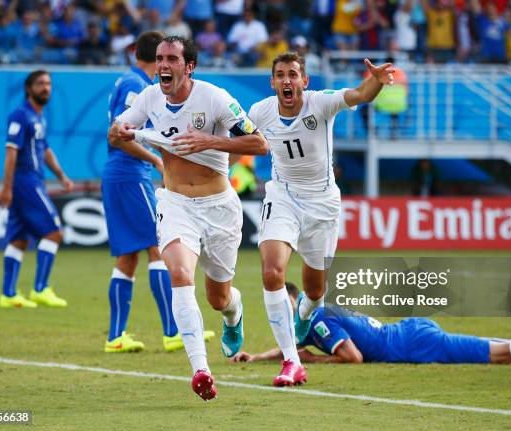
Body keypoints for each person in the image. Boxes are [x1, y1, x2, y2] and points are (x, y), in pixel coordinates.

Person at [108, 36, 268, 400]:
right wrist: (119, 132)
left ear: (189, 66)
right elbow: (116, 134)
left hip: (219, 208)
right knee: (179, 274)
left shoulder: (215, 98)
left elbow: (259, 144)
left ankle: (233, 314)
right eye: (160, 58)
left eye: (172, 59)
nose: (163, 65)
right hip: (175, 203)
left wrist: (209, 141)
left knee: (218, 297)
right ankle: (201, 369)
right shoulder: (150, 96)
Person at [247, 52, 394, 387]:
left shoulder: (321, 103)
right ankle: (291, 361)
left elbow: (359, 94)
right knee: (272, 271)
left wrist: (376, 81)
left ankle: (304, 315)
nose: (287, 81)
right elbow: (241, 137)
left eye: (293, 75)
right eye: (280, 75)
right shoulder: (260, 111)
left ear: (304, 81)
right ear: (273, 83)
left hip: (322, 205)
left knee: (314, 291)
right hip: (282, 197)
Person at [103, 31, 213, 354]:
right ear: (158, 59)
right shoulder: (139, 87)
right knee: (159, 246)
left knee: (127, 257)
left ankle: (115, 336)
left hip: (117, 175)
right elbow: (122, 135)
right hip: (130, 174)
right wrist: (158, 160)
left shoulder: (127, 80)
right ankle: (173, 331)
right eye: (165, 58)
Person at [232, 282, 511, 365]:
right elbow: (292, 345)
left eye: (285, 305)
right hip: (410, 330)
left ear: (295, 300)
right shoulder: (314, 317)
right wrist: (258, 358)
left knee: (505, 354)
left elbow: (354, 357)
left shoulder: (319, 320)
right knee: (491, 346)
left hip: (412, 344)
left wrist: (315, 360)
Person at [0, 70, 73, 309]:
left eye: (49, 83)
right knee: (54, 232)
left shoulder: (38, 117)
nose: (46, 88)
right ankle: (40, 288)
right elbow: (11, 152)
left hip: (31, 181)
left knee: (18, 239)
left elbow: (46, 150)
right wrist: (7, 187)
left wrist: (62, 175)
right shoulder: (20, 115)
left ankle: (8, 295)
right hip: (26, 182)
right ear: (29, 88)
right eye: (40, 84)